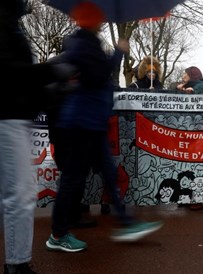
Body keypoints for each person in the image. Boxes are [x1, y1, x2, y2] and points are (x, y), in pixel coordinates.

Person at [45, 2, 163, 253]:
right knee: (73, 179)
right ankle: (58, 234)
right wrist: (119, 52)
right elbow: (99, 75)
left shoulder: (86, 43)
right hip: (82, 121)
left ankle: (126, 221)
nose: (100, 21)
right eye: (96, 18)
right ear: (89, 19)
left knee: (108, 174)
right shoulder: (83, 44)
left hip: (91, 119)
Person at [0, 0, 75, 272]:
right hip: (8, 118)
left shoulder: (11, 22)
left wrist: (50, 92)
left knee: (14, 195)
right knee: (20, 195)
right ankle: (17, 265)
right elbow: (8, 73)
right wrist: (51, 72)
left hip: (13, 116)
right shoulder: (6, 23)